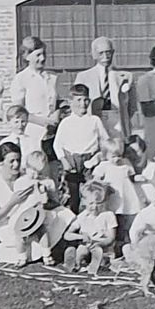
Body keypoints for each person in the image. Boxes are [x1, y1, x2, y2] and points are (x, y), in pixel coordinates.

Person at [0, 142, 74, 264]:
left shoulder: (27, 176)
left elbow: (47, 199)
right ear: (0, 162)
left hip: (32, 216)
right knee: (23, 239)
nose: (16, 165)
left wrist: (46, 194)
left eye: (18, 160)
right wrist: (12, 203)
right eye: (11, 161)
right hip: (9, 225)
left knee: (63, 214)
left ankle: (62, 248)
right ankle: (39, 251)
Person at [53, 84, 109, 214]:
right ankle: (75, 221)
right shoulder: (66, 122)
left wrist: (99, 156)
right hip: (72, 161)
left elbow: (105, 141)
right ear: (71, 102)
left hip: (90, 160)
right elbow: (57, 144)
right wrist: (64, 161)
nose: (82, 104)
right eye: (78, 100)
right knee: (73, 196)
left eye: (85, 100)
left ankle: (93, 220)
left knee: (92, 193)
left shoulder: (95, 120)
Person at [10, 36, 65, 160]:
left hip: (52, 133)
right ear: (27, 56)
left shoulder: (52, 78)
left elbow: (59, 102)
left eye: (44, 54)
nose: (43, 58)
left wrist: (56, 115)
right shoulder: (21, 79)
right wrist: (43, 121)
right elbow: (18, 111)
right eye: (38, 55)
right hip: (31, 132)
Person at [75, 37, 137, 140]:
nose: (105, 57)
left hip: (117, 121)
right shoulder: (83, 77)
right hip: (94, 119)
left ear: (113, 53)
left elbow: (132, 106)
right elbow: (77, 104)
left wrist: (122, 118)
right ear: (94, 54)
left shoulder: (125, 76)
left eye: (108, 52)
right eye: (101, 53)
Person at [92, 138, 145, 256]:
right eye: (113, 156)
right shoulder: (104, 166)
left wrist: (139, 178)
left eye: (118, 156)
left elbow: (132, 177)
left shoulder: (125, 163)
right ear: (106, 155)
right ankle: (113, 250)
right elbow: (95, 180)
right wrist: (101, 184)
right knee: (114, 223)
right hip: (113, 197)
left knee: (127, 223)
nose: (116, 159)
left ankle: (126, 248)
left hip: (126, 196)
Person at [63, 181, 118, 274]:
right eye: (91, 203)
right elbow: (67, 235)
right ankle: (75, 264)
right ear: (84, 202)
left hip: (103, 247)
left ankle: (95, 265)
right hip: (87, 245)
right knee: (81, 250)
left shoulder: (108, 215)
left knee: (99, 252)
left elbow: (111, 238)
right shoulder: (83, 216)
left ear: (104, 202)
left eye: (99, 203)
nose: (95, 207)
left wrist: (100, 243)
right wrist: (80, 237)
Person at [0, 105, 41, 170]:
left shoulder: (33, 141)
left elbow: (38, 160)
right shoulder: (4, 142)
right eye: (16, 122)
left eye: (23, 121)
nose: (20, 125)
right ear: (9, 123)